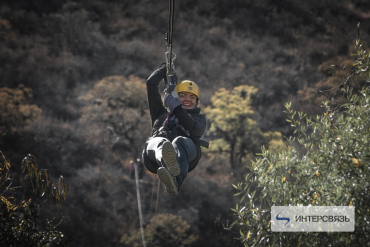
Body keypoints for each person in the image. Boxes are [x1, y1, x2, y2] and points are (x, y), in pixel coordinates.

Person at [142, 64, 208, 196]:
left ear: (197, 101)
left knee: (179, 141)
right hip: (154, 157)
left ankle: (176, 181)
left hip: (186, 155)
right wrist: (164, 70)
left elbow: (194, 129)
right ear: (176, 97)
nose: (187, 99)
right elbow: (151, 84)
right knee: (160, 141)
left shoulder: (199, 119)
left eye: (192, 97)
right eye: (183, 95)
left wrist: (176, 107)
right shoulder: (160, 113)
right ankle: (166, 163)